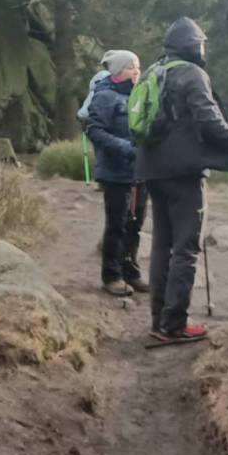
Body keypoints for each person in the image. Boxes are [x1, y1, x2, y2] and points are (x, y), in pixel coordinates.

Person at [136, 18, 228, 342]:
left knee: (162, 246)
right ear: (192, 45)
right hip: (183, 173)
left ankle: (159, 320)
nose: (203, 50)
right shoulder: (192, 74)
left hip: (152, 168)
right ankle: (174, 325)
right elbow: (211, 123)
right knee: (186, 248)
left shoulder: (154, 71)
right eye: (201, 44)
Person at [84, 50, 148, 298]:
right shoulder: (104, 96)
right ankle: (112, 276)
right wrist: (126, 149)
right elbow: (95, 131)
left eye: (138, 67)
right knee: (117, 226)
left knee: (135, 224)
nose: (137, 72)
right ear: (118, 72)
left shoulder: (140, 95)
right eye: (131, 67)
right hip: (115, 173)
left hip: (140, 173)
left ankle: (131, 273)